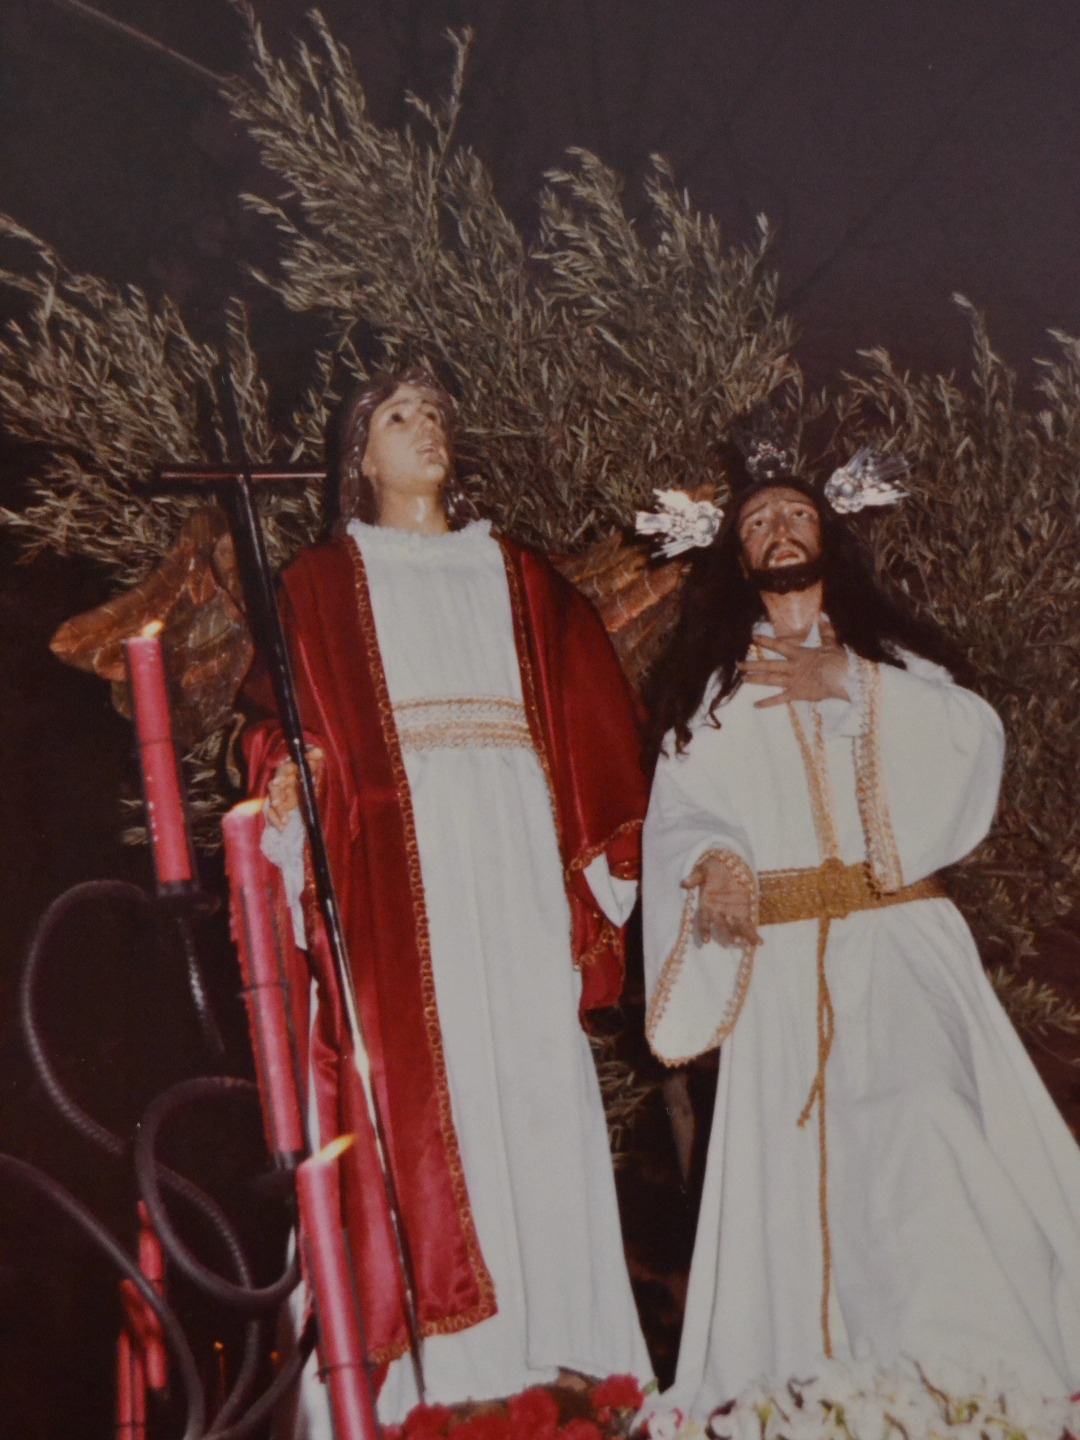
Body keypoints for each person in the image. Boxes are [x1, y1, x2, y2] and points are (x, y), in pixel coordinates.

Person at [245, 368, 653, 1426]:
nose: (425, 430)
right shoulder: (321, 584)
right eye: (397, 417)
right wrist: (291, 778)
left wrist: (603, 853)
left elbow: (594, 709)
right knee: (424, 1093)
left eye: (436, 416)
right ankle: (446, 1381)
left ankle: (574, 1360)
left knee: (532, 1076)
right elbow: (272, 722)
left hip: (513, 850)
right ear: (359, 460)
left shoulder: (519, 575)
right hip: (396, 861)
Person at [640, 457, 1080, 1416]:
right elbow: (679, 813)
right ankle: (833, 1401)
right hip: (788, 964)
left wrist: (851, 681)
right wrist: (713, 861)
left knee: (933, 1124)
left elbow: (977, 738)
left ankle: (986, 1383)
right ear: (737, 555)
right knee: (800, 1185)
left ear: (830, 535)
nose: (781, 530)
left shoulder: (900, 667)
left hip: (902, 941)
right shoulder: (714, 700)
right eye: (759, 522)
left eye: (797, 513)